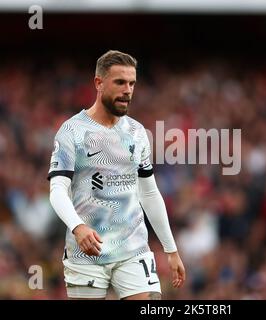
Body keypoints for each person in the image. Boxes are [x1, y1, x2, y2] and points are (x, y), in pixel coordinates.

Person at [48, 50, 185, 300]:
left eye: (132, 83)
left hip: (133, 250)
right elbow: (57, 189)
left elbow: (149, 193)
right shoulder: (72, 131)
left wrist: (171, 249)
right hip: (87, 252)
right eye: (120, 82)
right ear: (99, 83)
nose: (128, 90)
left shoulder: (137, 132)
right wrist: (77, 226)